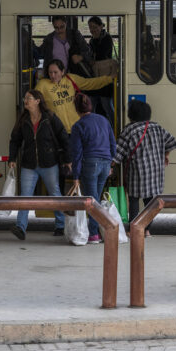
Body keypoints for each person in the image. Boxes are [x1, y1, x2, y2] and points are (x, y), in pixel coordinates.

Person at [7, 89, 70, 240]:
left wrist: (68, 159)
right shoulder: (23, 119)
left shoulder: (50, 118)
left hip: (49, 163)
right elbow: (14, 140)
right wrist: (12, 158)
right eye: (25, 98)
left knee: (55, 194)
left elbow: (63, 137)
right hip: (29, 165)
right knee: (25, 196)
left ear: (38, 101)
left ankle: (60, 225)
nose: (25, 101)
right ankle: (21, 227)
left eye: (29, 98)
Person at [113, 100, 176, 236]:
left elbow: (117, 154)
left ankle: (133, 230)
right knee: (150, 201)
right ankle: (147, 229)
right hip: (156, 171)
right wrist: (166, 155)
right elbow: (171, 142)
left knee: (134, 200)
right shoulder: (156, 127)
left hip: (137, 172)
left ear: (131, 115)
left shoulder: (129, 130)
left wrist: (109, 166)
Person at [69, 93, 117, 244]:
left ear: (76, 109)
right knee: (96, 197)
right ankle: (100, 230)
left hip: (90, 163)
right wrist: (111, 163)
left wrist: (75, 176)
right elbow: (112, 143)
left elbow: (77, 154)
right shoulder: (103, 120)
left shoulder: (78, 126)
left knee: (92, 201)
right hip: (105, 163)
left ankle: (94, 234)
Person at [34, 59, 115, 134]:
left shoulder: (70, 79)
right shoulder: (43, 84)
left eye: (55, 72)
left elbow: (90, 83)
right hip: (58, 130)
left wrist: (109, 79)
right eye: (50, 72)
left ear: (62, 72)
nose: (52, 75)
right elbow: (34, 103)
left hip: (77, 127)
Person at [86, 16, 116, 124]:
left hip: (105, 77)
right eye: (90, 28)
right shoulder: (92, 40)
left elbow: (101, 54)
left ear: (100, 26)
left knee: (107, 105)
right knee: (91, 105)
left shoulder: (106, 38)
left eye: (95, 27)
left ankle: (114, 128)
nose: (93, 30)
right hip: (95, 77)